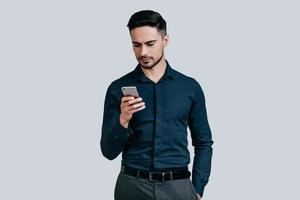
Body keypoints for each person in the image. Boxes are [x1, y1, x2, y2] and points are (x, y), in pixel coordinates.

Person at [100, 10, 213, 200]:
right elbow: (108, 152)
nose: (143, 52)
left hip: (178, 188)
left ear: (165, 40)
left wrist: (198, 188)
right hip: (132, 187)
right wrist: (123, 120)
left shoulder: (189, 87)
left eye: (150, 44)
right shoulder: (117, 88)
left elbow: (203, 143)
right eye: (136, 45)